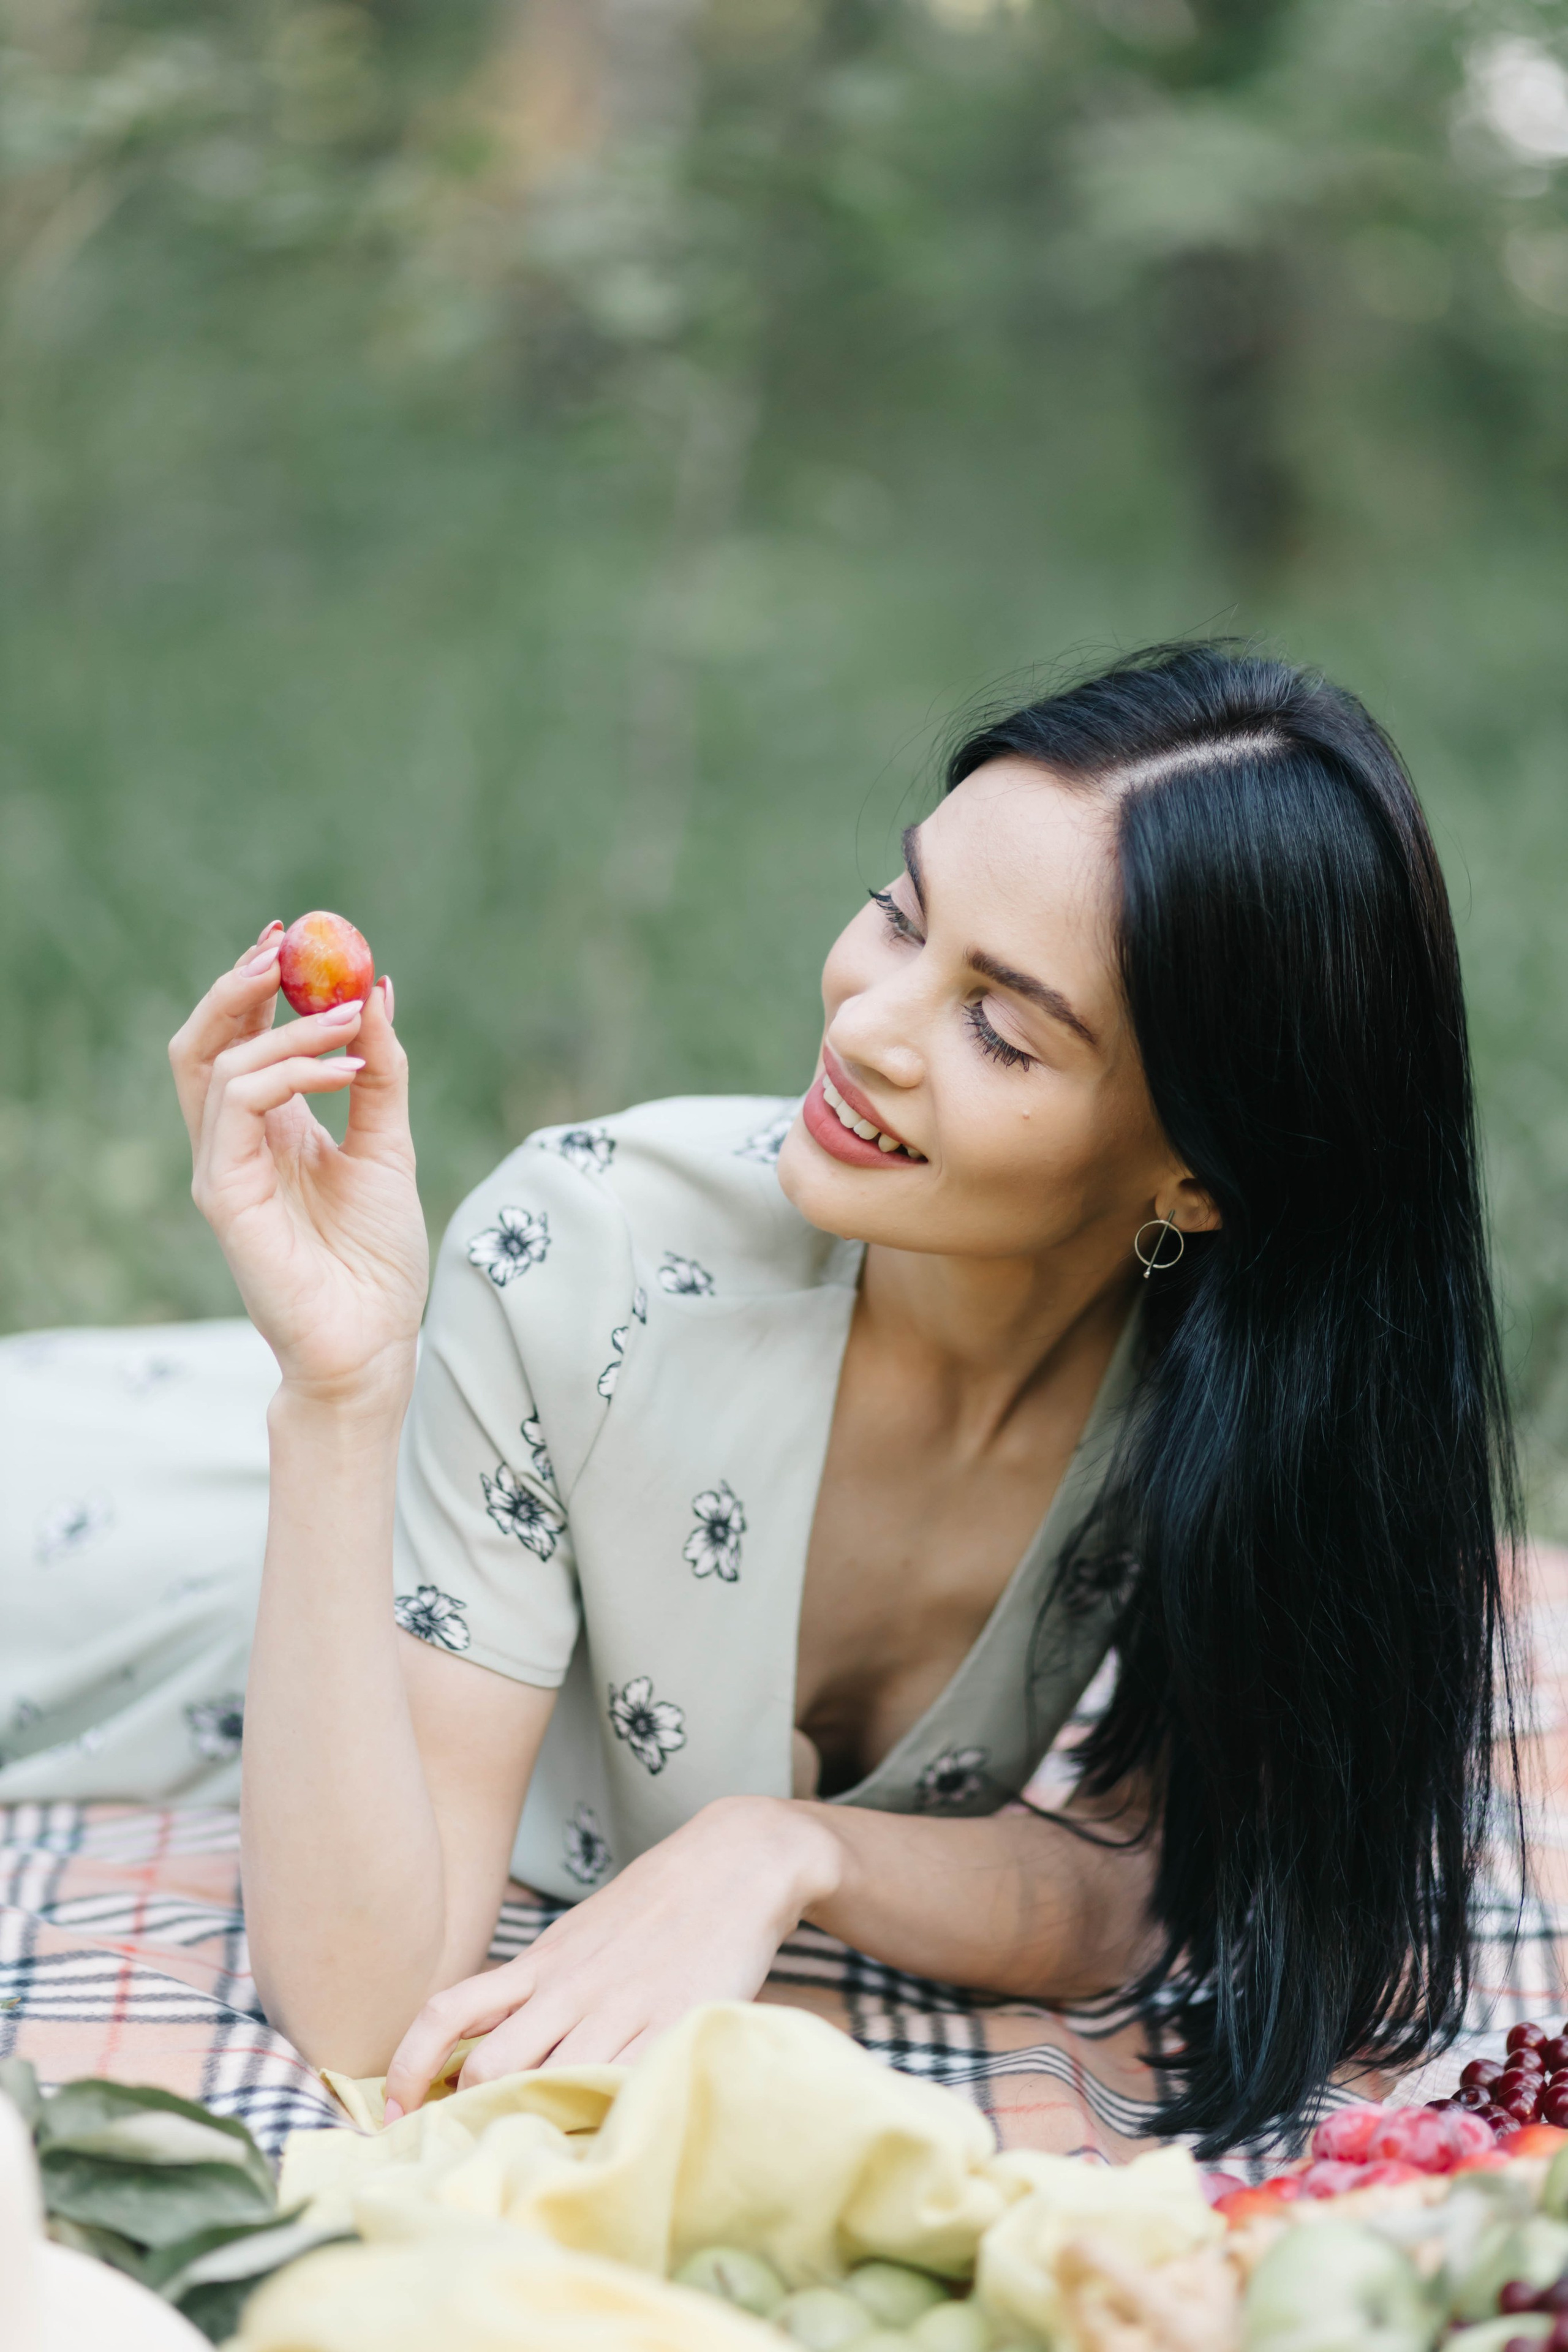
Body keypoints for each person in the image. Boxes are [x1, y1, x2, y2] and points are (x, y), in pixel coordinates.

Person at [168, 643, 1518, 2154]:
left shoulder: (1230, 1399)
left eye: (999, 1026)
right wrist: (346, 1394)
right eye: (899, 915)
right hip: (184, 1571)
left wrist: (784, 1850)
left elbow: (1158, 1886)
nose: (868, 1023)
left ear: (1192, 1173)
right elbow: (363, 2010)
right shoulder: (579, 1263)